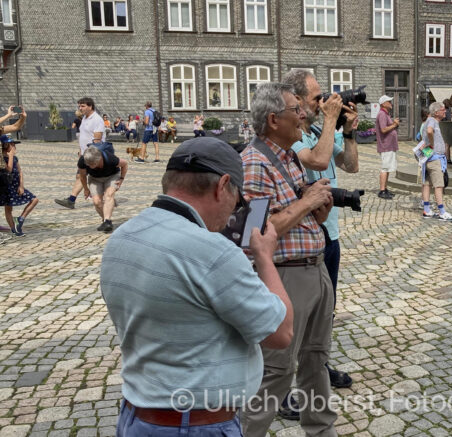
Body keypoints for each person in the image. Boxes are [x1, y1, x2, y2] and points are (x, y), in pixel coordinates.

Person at [102, 137, 293, 436]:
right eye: (238, 200)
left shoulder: (123, 236)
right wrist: (264, 257)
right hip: (196, 424)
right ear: (223, 185)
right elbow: (281, 333)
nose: (234, 212)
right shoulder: (212, 251)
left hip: (136, 418)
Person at [239, 83, 337, 437]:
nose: (303, 115)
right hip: (283, 277)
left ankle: (322, 431)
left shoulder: (289, 157)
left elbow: (300, 219)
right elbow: (255, 233)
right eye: (296, 109)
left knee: (316, 360)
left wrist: (317, 210)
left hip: (315, 268)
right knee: (277, 371)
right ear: (273, 119)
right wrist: (307, 203)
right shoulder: (253, 162)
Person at [286, 69, 359, 405]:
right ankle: (283, 385)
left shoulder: (318, 128)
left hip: (330, 234)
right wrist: (331, 120)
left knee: (325, 310)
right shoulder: (293, 136)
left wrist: (349, 131)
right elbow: (317, 158)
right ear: (296, 99)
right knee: (295, 314)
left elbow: (351, 166)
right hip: (301, 237)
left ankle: (318, 365)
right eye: (316, 97)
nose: (322, 102)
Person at [55, 98, 106, 210]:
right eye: (79, 106)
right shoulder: (84, 118)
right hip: (85, 153)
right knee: (81, 176)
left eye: (82, 106)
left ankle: (104, 198)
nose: (80, 108)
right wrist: (81, 151)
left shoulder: (96, 119)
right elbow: (83, 136)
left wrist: (91, 155)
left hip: (93, 154)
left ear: (90, 106)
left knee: (89, 176)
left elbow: (97, 139)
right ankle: (71, 200)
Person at [78, 146, 129, 232]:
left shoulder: (110, 159)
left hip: (112, 176)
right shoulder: (83, 161)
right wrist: (86, 189)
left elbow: (125, 164)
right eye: (88, 165)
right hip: (94, 179)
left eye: (92, 164)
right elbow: (82, 176)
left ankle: (107, 221)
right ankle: (105, 220)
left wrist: (121, 179)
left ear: (99, 159)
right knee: (97, 202)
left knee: (109, 195)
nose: (90, 166)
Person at [420, 102, 452, 221]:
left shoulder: (431, 121)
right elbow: (430, 131)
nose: (445, 111)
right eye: (443, 110)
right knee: (439, 185)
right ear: (436, 113)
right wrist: (432, 144)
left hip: (429, 157)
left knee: (427, 184)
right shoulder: (432, 121)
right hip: (435, 158)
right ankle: (442, 212)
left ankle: (427, 210)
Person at [1, 135, 38, 236]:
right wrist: (11, 155)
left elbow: (20, 172)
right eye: (12, 144)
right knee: (8, 209)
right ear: (5, 145)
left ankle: (20, 219)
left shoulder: (15, 158)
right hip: (6, 187)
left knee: (34, 200)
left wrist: (21, 186)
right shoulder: (2, 158)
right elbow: (8, 169)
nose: (14, 146)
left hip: (16, 186)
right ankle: (14, 229)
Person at [375, 95, 400, 199]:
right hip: (386, 145)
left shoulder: (386, 114)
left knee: (388, 167)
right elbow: (383, 129)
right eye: (389, 101)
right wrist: (394, 125)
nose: (391, 103)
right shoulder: (382, 114)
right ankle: (382, 190)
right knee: (385, 168)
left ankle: (385, 188)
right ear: (383, 104)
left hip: (389, 145)